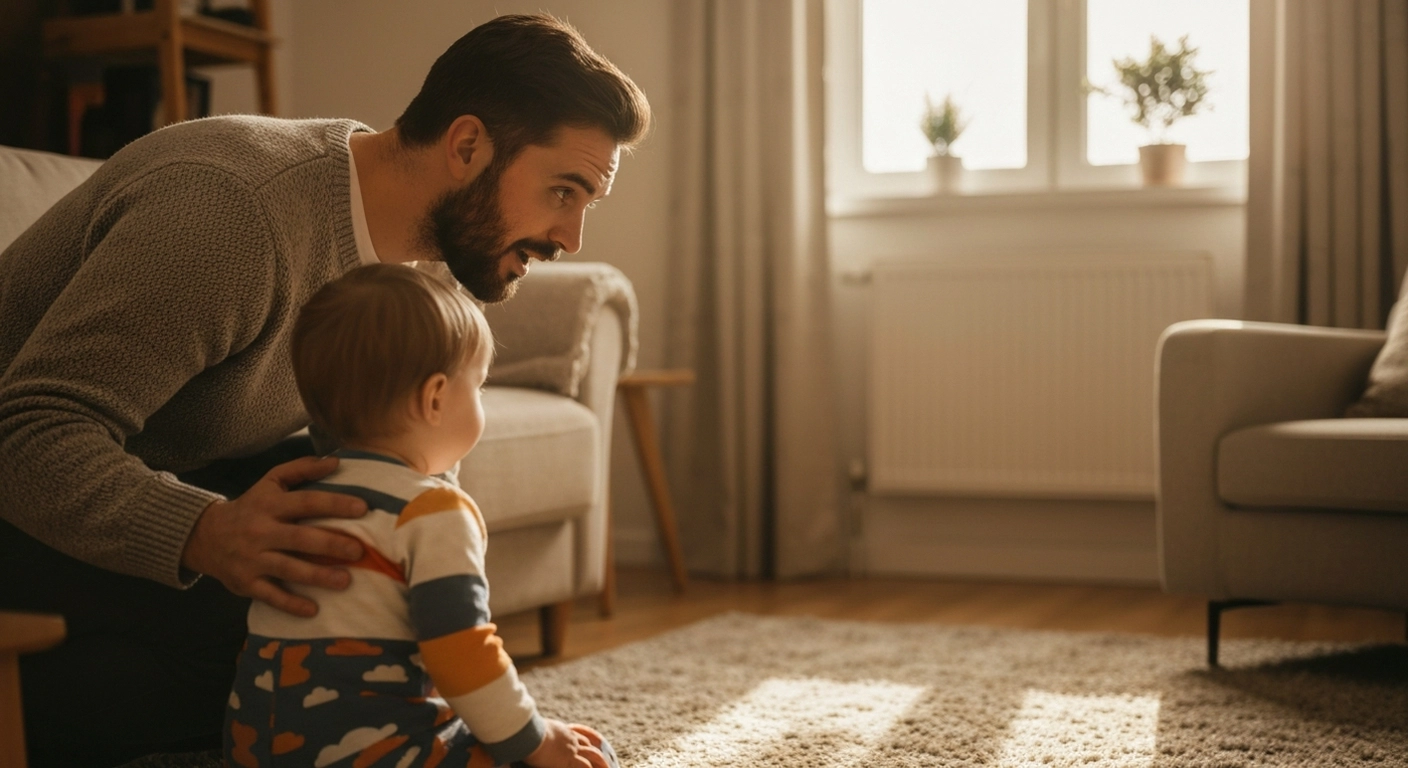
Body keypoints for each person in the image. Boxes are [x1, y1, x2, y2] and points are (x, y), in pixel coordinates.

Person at [0, 12, 649, 767]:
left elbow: (407, 488)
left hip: (156, 475)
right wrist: (207, 533)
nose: (570, 238)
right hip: (24, 489)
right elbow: (26, 429)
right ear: (467, 146)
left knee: (335, 592)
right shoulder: (233, 213)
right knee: (283, 626)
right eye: (563, 192)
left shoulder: (436, 267)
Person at [224, 263, 616, 768]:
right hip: (377, 755)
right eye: (477, 388)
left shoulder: (295, 496)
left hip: (252, 749)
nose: (480, 402)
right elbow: (461, 653)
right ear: (435, 398)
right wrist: (535, 741)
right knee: (584, 752)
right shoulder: (432, 510)